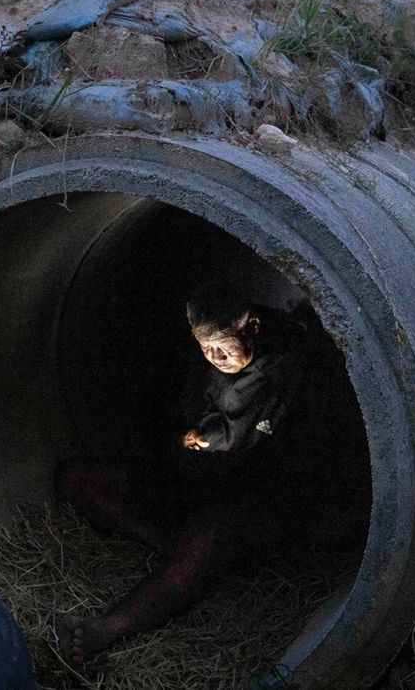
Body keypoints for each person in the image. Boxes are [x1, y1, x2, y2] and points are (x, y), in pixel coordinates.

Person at [54, 279, 338, 668]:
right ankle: (174, 547)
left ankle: (105, 628)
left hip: (256, 494)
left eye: (223, 346)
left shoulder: (289, 363)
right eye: (206, 348)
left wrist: (211, 441)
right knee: (79, 480)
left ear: (252, 327)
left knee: (208, 542)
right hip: (197, 478)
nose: (216, 356)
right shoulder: (207, 357)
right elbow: (184, 409)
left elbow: (268, 445)